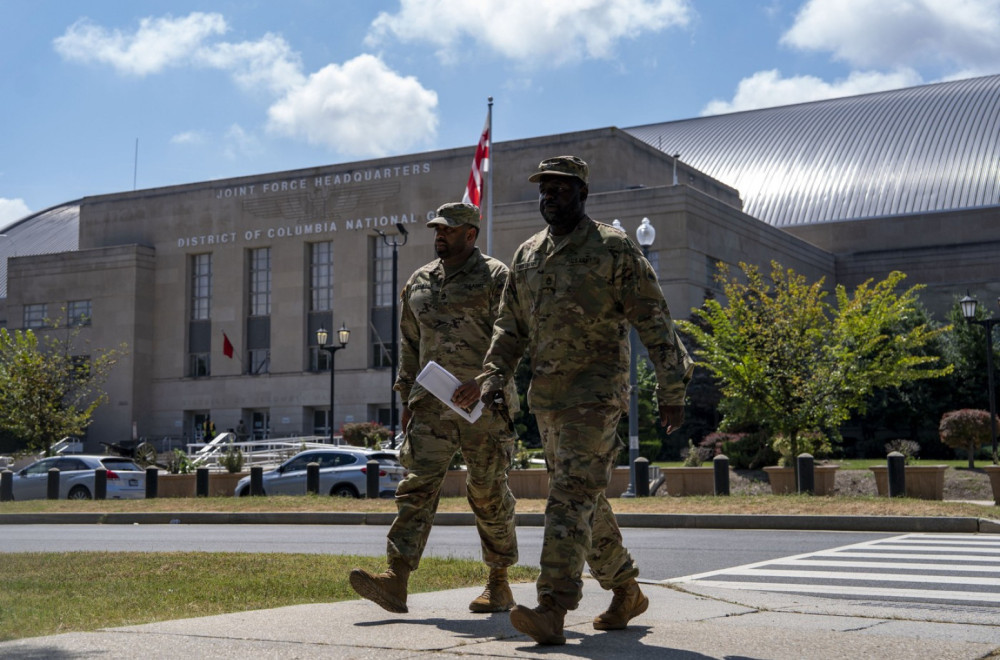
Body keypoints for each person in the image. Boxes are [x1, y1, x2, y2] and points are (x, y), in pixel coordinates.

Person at [454, 155, 693, 645]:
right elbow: (509, 326)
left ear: (582, 193)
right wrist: (493, 377)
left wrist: (671, 389)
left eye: (561, 190)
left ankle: (552, 607)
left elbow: (653, 316)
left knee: (567, 499)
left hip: (596, 396)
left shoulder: (612, 247)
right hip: (549, 399)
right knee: (585, 498)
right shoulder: (527, 255)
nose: (550, 198)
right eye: (545, 190)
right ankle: (626, 589)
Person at [349, 202, 520, 615]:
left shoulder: (497, 278)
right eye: (437, 229)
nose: (440, 235)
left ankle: (499, 583)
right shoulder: (419, 281)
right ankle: (396, 579)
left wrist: (484, 383)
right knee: (416, 488)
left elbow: (516, 337)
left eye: (449, 229)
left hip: (485, 407)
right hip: (430, 408)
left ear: (471, 234)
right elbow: (409, 344)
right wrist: (407, 396)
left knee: (487, 492)